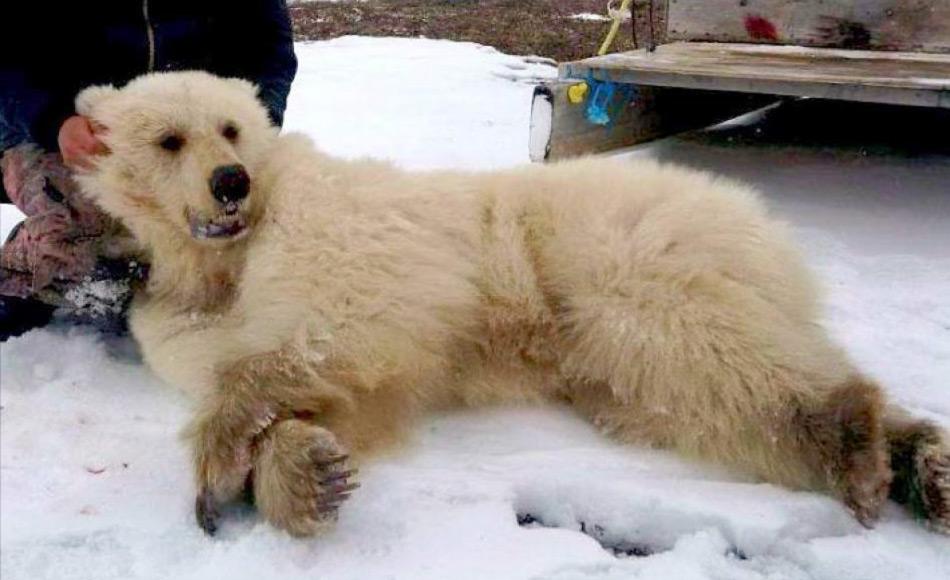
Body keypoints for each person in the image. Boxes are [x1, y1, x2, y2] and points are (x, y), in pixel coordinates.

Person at [0, 1, 298, 341]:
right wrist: (54, 120)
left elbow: (269, 50)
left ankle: (154, 270)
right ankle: (23, 278)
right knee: (82, 220)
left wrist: (253, 123)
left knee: (262, 210)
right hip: (67, 130)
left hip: (204, 126)